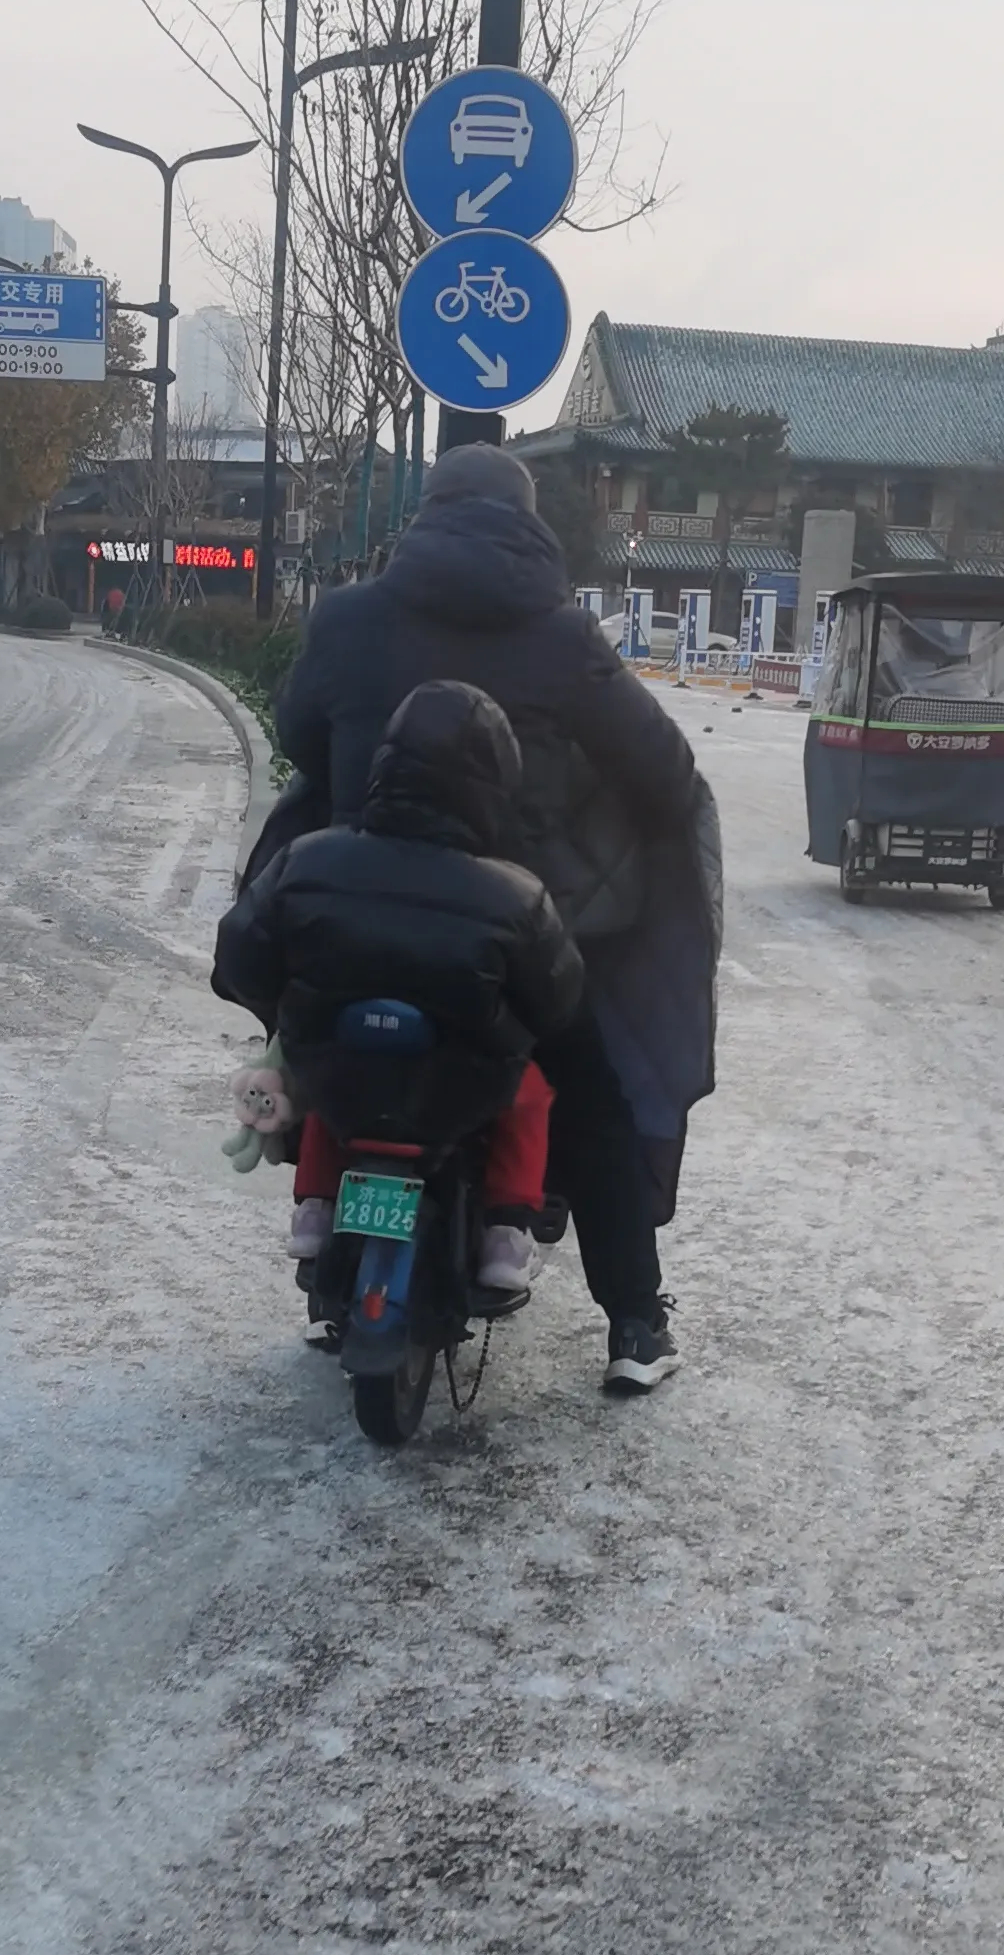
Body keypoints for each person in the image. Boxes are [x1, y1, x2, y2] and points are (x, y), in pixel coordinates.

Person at [266, 434, 717, 1396]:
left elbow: (298, 733)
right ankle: (634, 1323)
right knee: (591, 1097)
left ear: (424, 515)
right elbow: (668, 778)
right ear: (528, 526)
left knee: (313, 1054)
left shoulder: (347, 619)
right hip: (509, 946)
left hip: (353, 930)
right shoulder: (561, 639)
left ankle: (325, 1270)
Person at [212, 683, 583, 1303]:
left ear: (382, 767)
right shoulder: (516, 897)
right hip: (464, 1086)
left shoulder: (306, 861)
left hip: (340, 1069)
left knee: (332, 1080)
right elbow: (558, 1000)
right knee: (531, 1093)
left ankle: (314, 1207)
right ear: (493, 785)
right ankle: (506, 1231)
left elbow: (242, 955)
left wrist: (286, 1010)